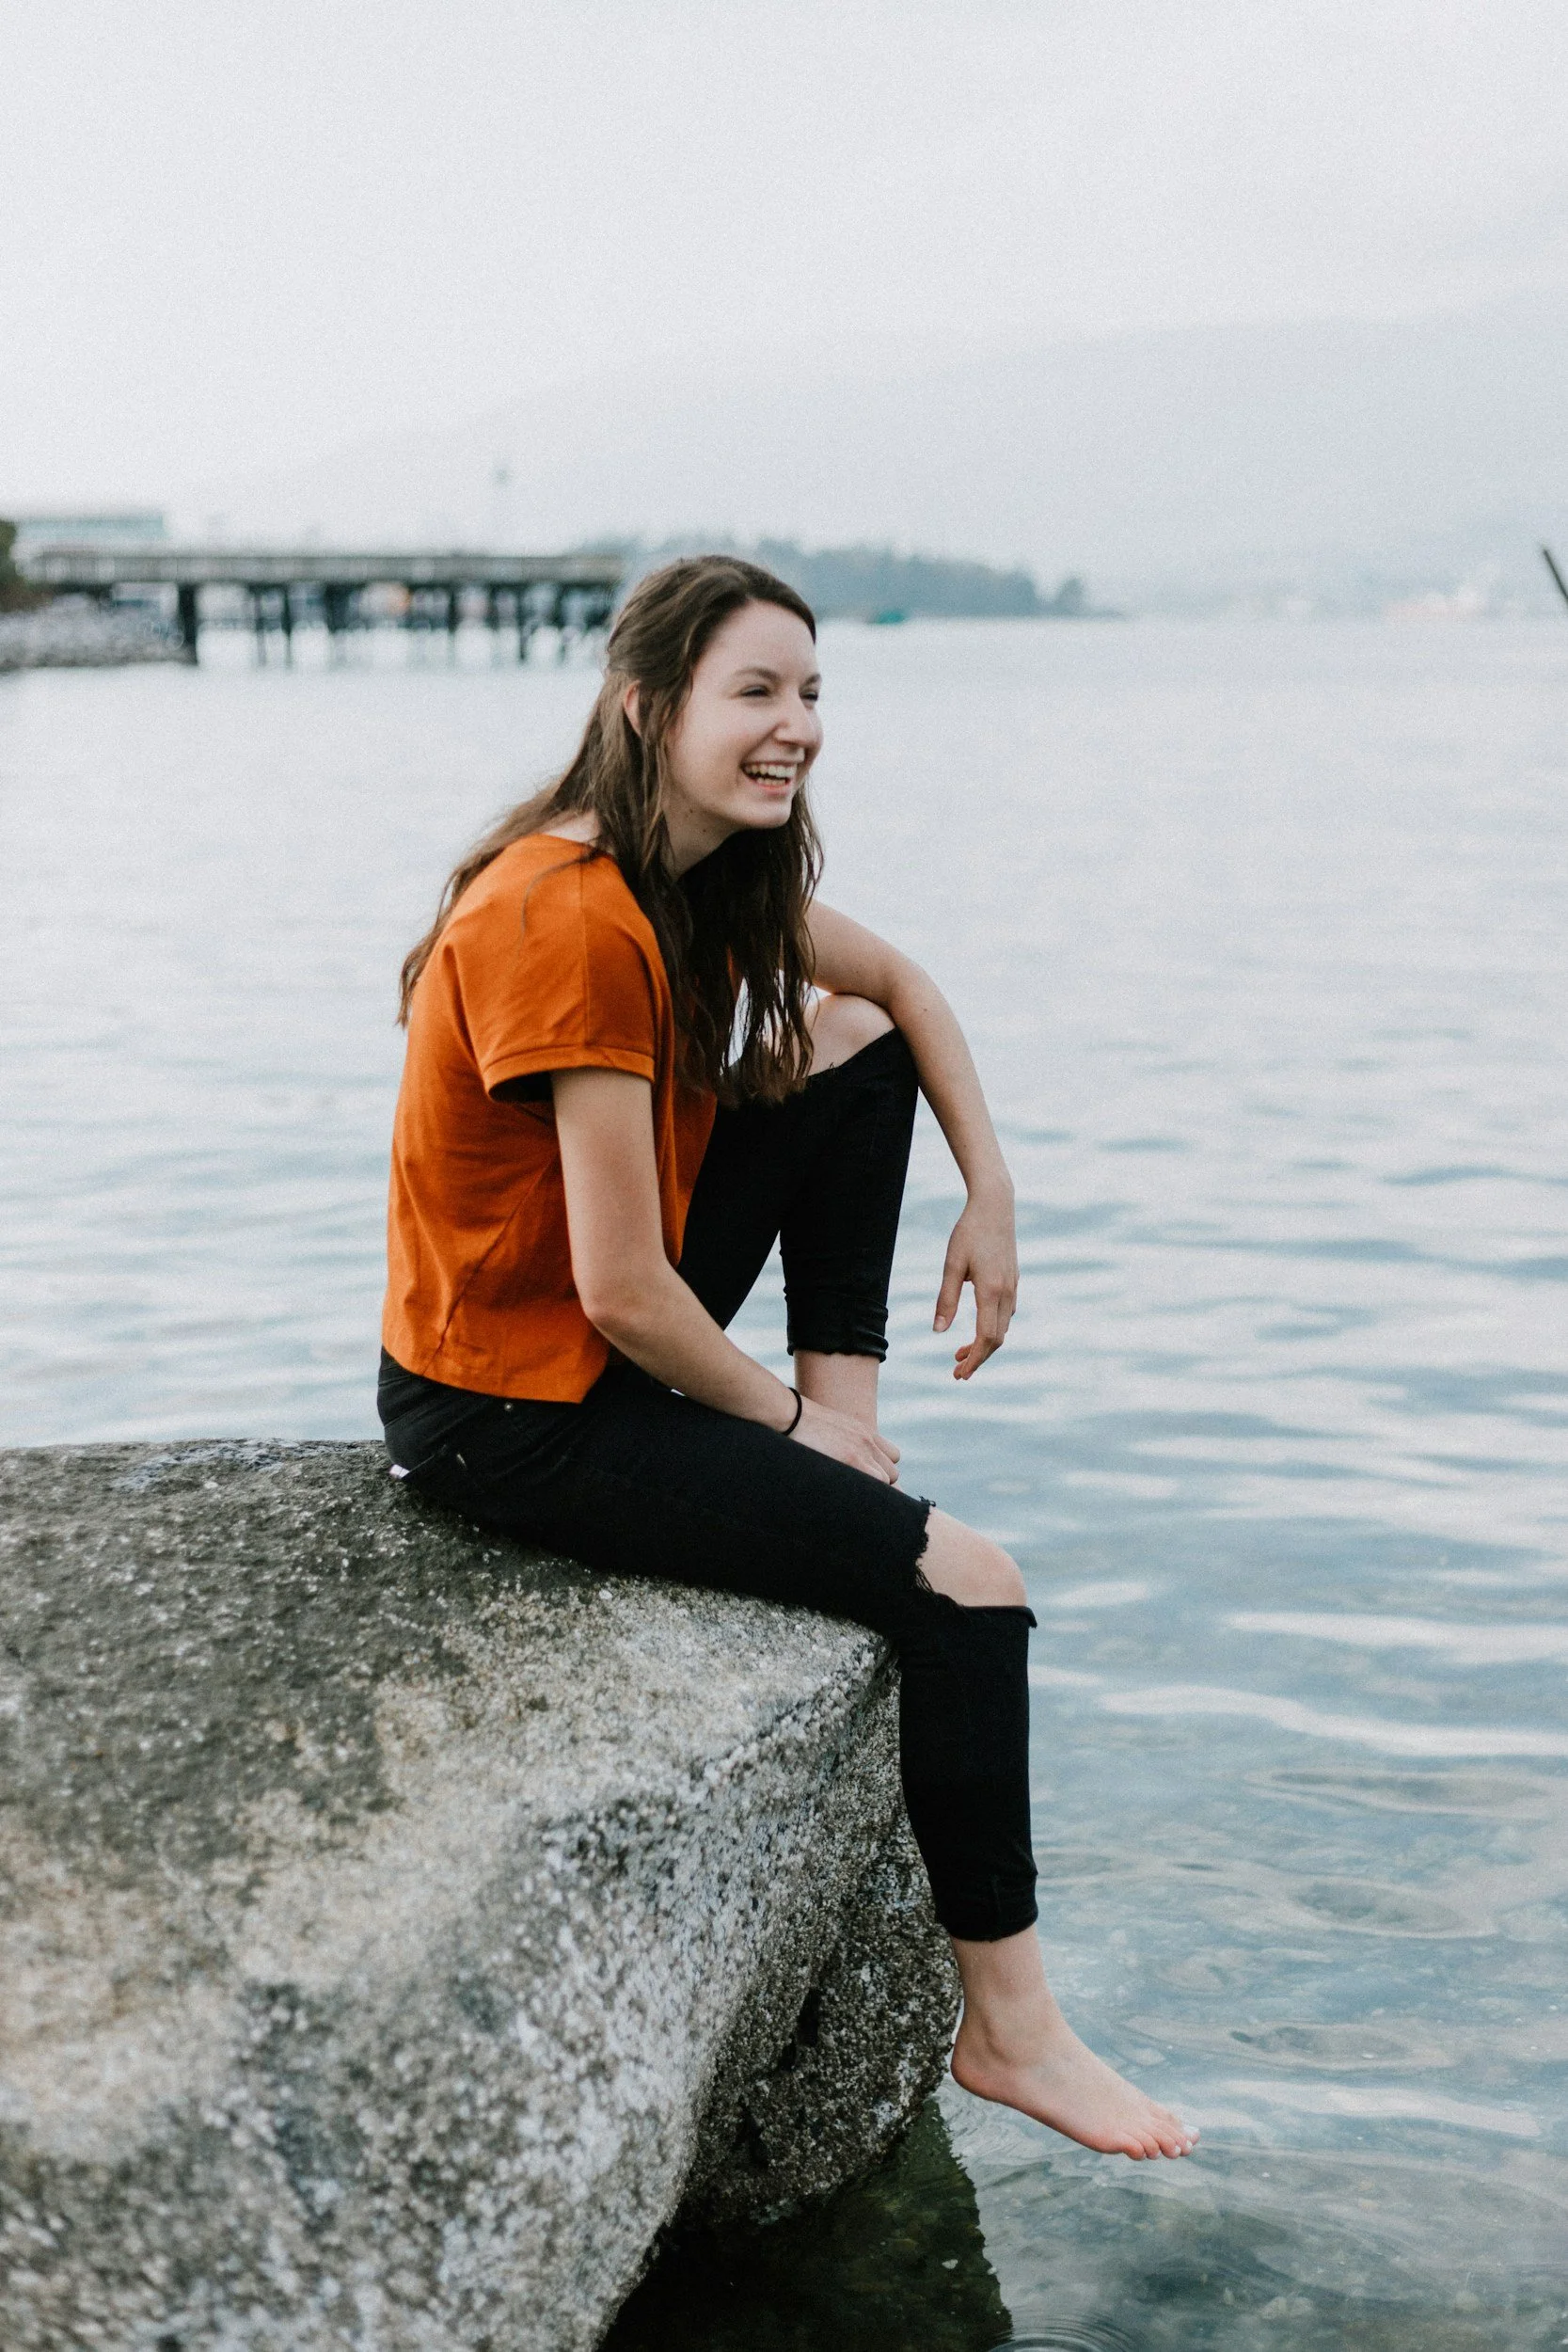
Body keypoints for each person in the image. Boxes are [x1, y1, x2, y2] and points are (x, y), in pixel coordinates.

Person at [378, 555, 1195, 2162]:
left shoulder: (695, 874)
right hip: (506, 1410)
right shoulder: (563, 913)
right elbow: (620, 1293)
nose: (794, 726)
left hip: (591, 1339)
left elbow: (897, 991)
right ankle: (1011, 2032)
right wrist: (782, 1438)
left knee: (846, 1039)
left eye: (809, 692)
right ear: (647, 707)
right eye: (754, 693)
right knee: (973, 1585)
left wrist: (992, 1191)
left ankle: (850, 1422)